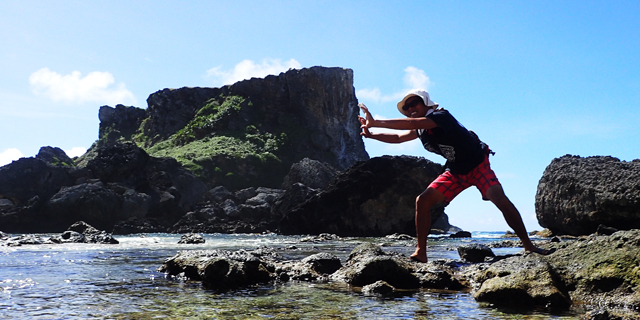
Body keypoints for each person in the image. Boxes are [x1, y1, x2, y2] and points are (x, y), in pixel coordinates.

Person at [358, 89, 553, 263]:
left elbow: (411, 122)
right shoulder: (420, 129)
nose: (410, 108)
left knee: (499, 198)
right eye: (406, 107)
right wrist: (372, 134)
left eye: (414, 103)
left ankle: (529, 245)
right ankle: (421, 252)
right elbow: (399, 137)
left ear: (426, 103)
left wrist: (376, 122)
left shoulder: (441, 115)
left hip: (478, 165)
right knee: (422, 201)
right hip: (455, 170)